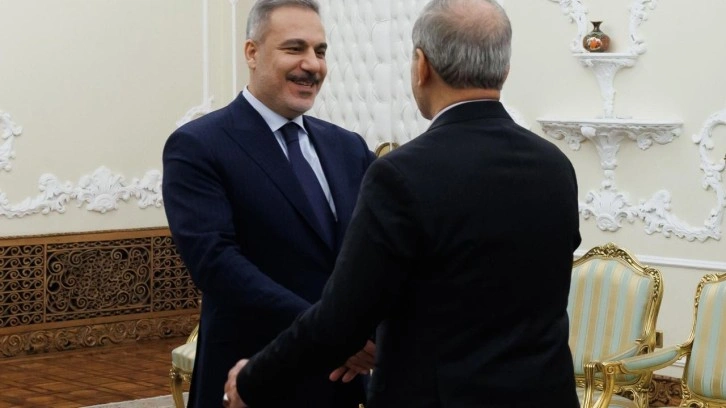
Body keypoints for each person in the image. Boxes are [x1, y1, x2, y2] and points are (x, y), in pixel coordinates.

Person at [222, 0, 582, 407]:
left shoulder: (401, 174)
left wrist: (251, 381)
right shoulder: (555, 166)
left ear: (421, 66)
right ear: (505, 69)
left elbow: (341, 319)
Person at [161, 0, 377, 406]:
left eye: (320, 51)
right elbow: (216, 264)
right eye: (295, 48)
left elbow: (376, 252)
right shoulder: (198, 146)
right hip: (250, 378)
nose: (312, 64)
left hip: (342, 383)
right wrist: (328, 334)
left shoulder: (348, 148)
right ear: (252, 53)